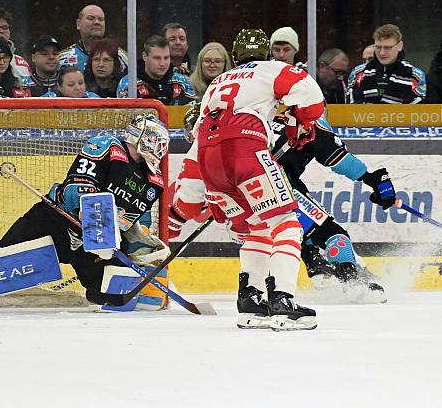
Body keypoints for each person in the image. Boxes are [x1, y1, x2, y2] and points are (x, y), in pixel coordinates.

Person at [171, 104, 393, 303]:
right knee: (330, 233)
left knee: (281, 234)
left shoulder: (222, 139)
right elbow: (338, 159)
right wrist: (373, 179)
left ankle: (314, 269)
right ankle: (351, 280)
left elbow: (194, 197)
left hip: (241, 197)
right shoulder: (295, 120)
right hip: (274, 184)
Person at [192, 28, 325, 331]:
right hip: (244, 147)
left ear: (235, 56)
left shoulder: (217, 81)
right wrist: (300, 123)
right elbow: (313, 98)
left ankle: (250, 304)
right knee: (287, 223)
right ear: (266, 53)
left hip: (208, 157)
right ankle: (283, 301)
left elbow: (198, 133)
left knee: (258, 227)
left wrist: (212, 191)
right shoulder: (272, 69)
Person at [0, 113, 170, 306]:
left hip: (97, 246)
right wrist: (97, 221)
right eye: (157, 139)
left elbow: (138, 221)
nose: (161, 147)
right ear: (141, 135)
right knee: (4, 262)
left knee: (116, 293)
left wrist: (140, 242)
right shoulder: (107, 146)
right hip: (58, 221)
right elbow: (76, 188)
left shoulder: (154, 181)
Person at [347, 24, 426, 104]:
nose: (382, 53)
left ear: (400, 46)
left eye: (387, 48)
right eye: (378, 47)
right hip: (364, 116)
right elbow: (351, 111)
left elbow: (416, 113)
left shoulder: (415, 76)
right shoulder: (358, 73)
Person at [117, 35, 194, 105]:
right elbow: (126, 115)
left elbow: (192, 112)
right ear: (145, 56)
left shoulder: (181, 81)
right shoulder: (129, 83)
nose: (162, 63)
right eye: (157, 58)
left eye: (166, 58)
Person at [59, 4, 128, 73]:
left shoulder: (120, 57)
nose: (97, 22)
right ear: (78, 24)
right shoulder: (62, 59)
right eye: (91, 18)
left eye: (101, 19)